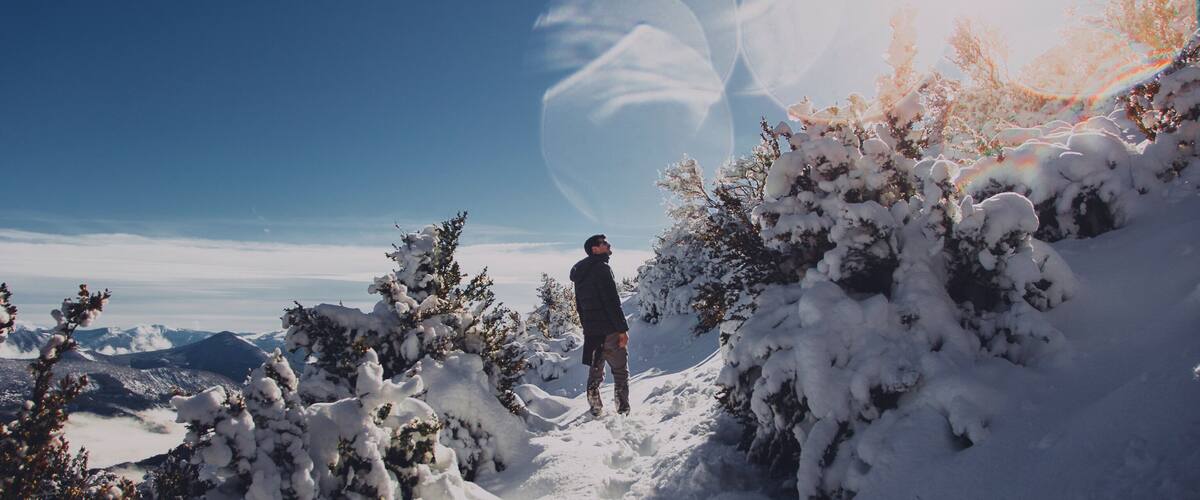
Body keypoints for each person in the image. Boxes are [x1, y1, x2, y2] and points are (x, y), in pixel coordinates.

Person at [570, 234, 630, 417]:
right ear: (594, 249)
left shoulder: (581, 273)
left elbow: (579, 306)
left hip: (592, 332)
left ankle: (595, 409)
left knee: (595, 372)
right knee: (620, 371)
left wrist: (587, 328)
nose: (608, 244)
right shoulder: (602, 268)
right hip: (609, 330)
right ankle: (623, 411)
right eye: (604, 243)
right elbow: (612, 301)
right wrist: (622, 330)